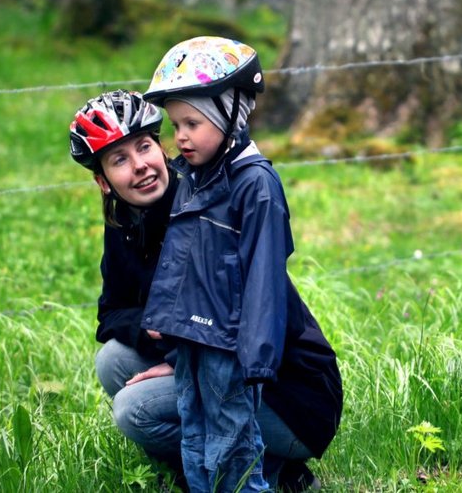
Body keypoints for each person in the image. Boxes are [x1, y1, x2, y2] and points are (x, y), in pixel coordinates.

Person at [71, 86, 341, 492]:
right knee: (112, 361)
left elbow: (243, 317)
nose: (140, 166)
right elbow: (110, 313)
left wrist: (181, 359)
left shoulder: (202, 203)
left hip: (286, 391)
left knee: (133, 409)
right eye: (119, 160)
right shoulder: (126, 224)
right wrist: (160, 337)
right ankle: (212, 469)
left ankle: (272, 468)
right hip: (210, 359)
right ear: (103, 181)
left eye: (144, 148)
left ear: (161, 149)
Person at [136, 36, 323, 493]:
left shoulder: (255, 185)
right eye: (176, 124)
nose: (180, 136)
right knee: (196, 439)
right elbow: (180, 259)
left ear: (228, 115)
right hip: (194, 342)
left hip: (230, 351)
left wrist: (255, 359)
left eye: (192, 123)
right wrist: (166, 320)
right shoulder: (193, 178)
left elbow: (264, 280)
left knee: (232, 445)